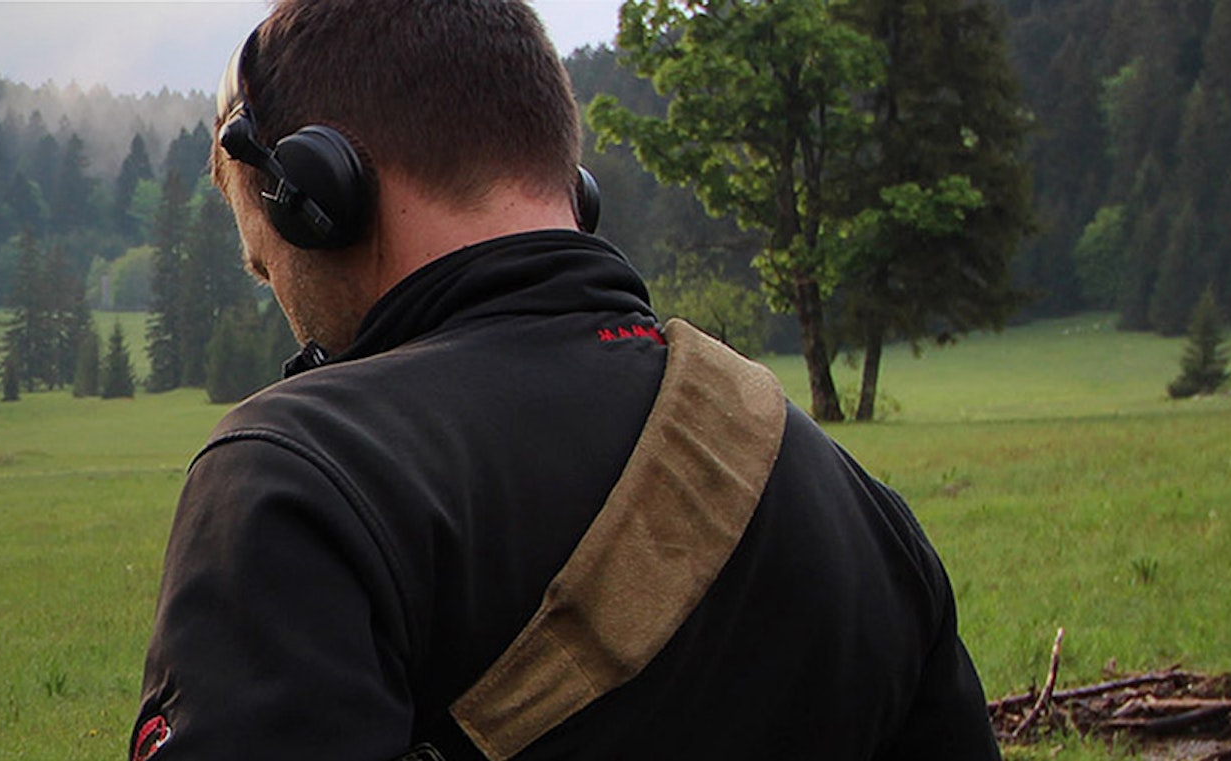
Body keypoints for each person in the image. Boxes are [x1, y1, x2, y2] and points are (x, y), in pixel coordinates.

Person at [128, 1, 1001, 759]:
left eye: (266, 264)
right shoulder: (859, 507)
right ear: (570, 189)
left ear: (322, 194)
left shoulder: (295, 478)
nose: (283, 301)